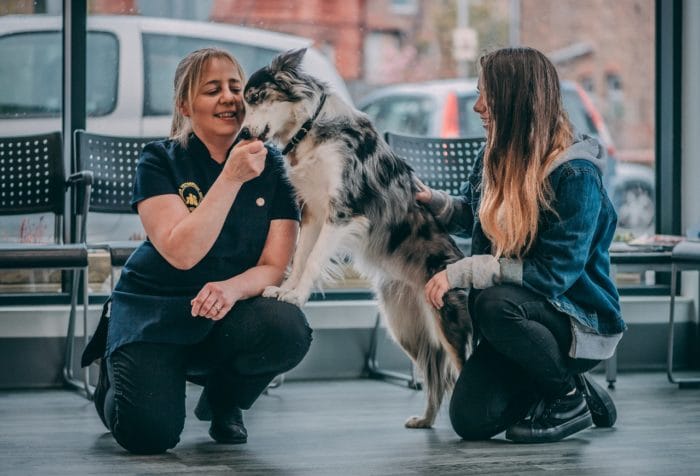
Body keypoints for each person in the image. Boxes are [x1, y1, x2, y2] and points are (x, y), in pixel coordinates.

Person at [82, 48, 312, 454]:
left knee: (287, 327)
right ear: (184, 105)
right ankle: (115, 370)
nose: (229, 98)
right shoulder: (159, 159)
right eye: (212, 90)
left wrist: (230, 290)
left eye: (235, 88)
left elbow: (275, 266)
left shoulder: (275, 166)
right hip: (155, 308)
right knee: (149, 437)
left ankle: (225, 401)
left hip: (224, 307)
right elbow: (181, 253)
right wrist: (231, 178)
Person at [419, 47, 622, 444]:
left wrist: (467, 271)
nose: (478, 106)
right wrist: (434, 201)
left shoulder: (575, 174)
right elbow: (472, 212)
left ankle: (566, 399)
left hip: (572, 321)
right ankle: (567, 383)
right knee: (470, 422)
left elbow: (553, 275)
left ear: (516, 100)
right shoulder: (494, 155)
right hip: (521, 322)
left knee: (492, 302)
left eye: (486, 96)